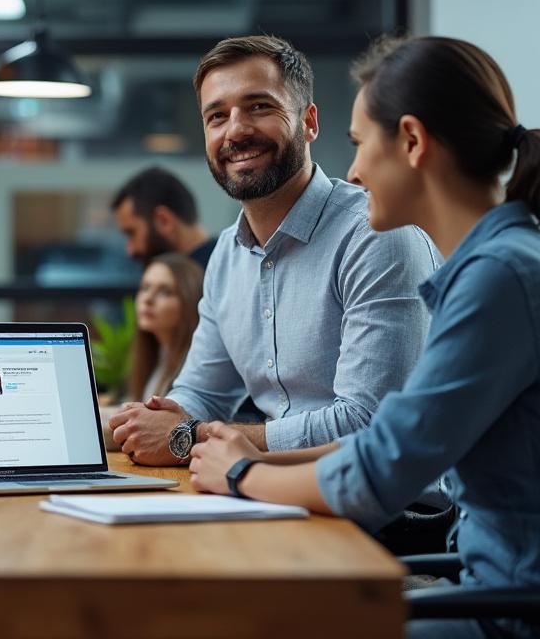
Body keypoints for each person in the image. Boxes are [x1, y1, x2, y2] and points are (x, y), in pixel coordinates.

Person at [189, 36, 540, 639]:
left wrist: (243, 474)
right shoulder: (493, 267)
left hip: (503, 611)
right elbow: (389, 440)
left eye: (359, 144)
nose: (351, 171)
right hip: (482, 581)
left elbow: (379, 471)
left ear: (410, 141)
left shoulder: (500, 277)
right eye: (217, 115)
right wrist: (242, 455)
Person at [111, 35, 440, 465]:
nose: (236, 130)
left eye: (259, 107)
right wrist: (124, 424)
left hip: (394, 519)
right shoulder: (227, 256)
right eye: (217, 116)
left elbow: (368, 423)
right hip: (281, 493)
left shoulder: (376, 235)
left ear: (309, 121)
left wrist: (192, 437)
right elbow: (201, 392)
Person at [102, 253, 203, 451]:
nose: (148, 299)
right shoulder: (154, 357)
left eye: (165, 292)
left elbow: (156, 429)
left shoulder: (196, 367)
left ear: (190, 301)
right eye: (145, 288)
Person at [111, 167, 217, 268]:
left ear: (164, 220)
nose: (130, 251)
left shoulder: (215, 278)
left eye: (132, 233)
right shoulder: (221, 264)